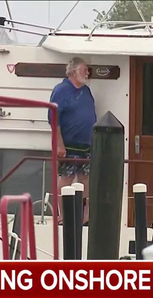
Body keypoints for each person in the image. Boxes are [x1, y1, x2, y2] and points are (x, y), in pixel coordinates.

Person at [47, 57, 97, 225]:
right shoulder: (61, 90)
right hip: (68, 145)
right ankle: (63, 215)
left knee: (85, 179)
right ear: (73, 71)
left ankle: (84, 216)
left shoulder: (86, 91)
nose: (87, 73)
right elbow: (54, 119)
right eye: (84, 70)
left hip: (86, 144)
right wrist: (59, 144)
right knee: (66, 179)